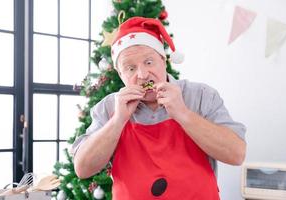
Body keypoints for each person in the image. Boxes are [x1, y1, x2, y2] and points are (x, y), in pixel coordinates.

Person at [72, 16, 246, 199]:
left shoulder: (201, 95)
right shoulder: (108, 107)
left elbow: (236, 154)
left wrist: (183, 113)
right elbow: (83, 169)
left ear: (163, 60)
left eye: (149, 62)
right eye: (130, 68)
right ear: (120, 73)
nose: (143, 74)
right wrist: (117, 121)